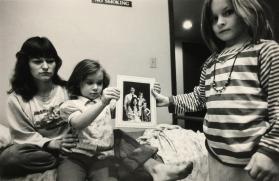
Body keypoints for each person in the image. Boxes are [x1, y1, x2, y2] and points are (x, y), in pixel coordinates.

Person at [152, 0, 279, 180]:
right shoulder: (210, 62)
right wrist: (168, 101)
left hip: (254, 161)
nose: (219, 22)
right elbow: (198, 98)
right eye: (214, 18)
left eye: (228, 12)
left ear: (246, 10)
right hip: (215, 157)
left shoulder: (265, 51)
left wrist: (271, 151)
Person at [58, 59, 193, 181]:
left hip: (102, 157)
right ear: (78, 82)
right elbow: (78, 123)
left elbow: (126, 111)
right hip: (75, 157)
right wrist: (103, 103)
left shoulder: (106, 103)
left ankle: (157, 169)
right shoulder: (71, 104)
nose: (95, 87)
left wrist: (150, 92)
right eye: (89, 82)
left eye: (99, 83)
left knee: (117, 143)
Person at [0, 36, 78, 177]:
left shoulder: (68, 90)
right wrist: (51, 144)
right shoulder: (15, 99)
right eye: (37, 61)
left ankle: (72, 160)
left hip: (71, 145)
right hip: (41, 150)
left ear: (56, 63)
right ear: (26, 64)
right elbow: (23, 135)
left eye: (50, 61)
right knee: (9, 157)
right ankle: (64, 161)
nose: (45, 66)